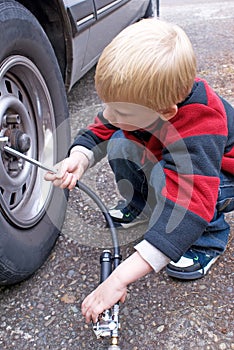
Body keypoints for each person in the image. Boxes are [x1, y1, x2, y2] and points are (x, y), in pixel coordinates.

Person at [45, 18, 234, 324]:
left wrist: (119, 278)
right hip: (173, 162)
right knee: (121, 142)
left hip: (219, 178)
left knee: (174, 188)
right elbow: (102, 126)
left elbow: (189, 203)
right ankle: (142, 205)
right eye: (109, 105)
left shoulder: (201, 123)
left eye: (119, 111)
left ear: (165, 113)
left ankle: (207, 241)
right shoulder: (137, 103)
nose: (109, 114)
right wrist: (79, 157)